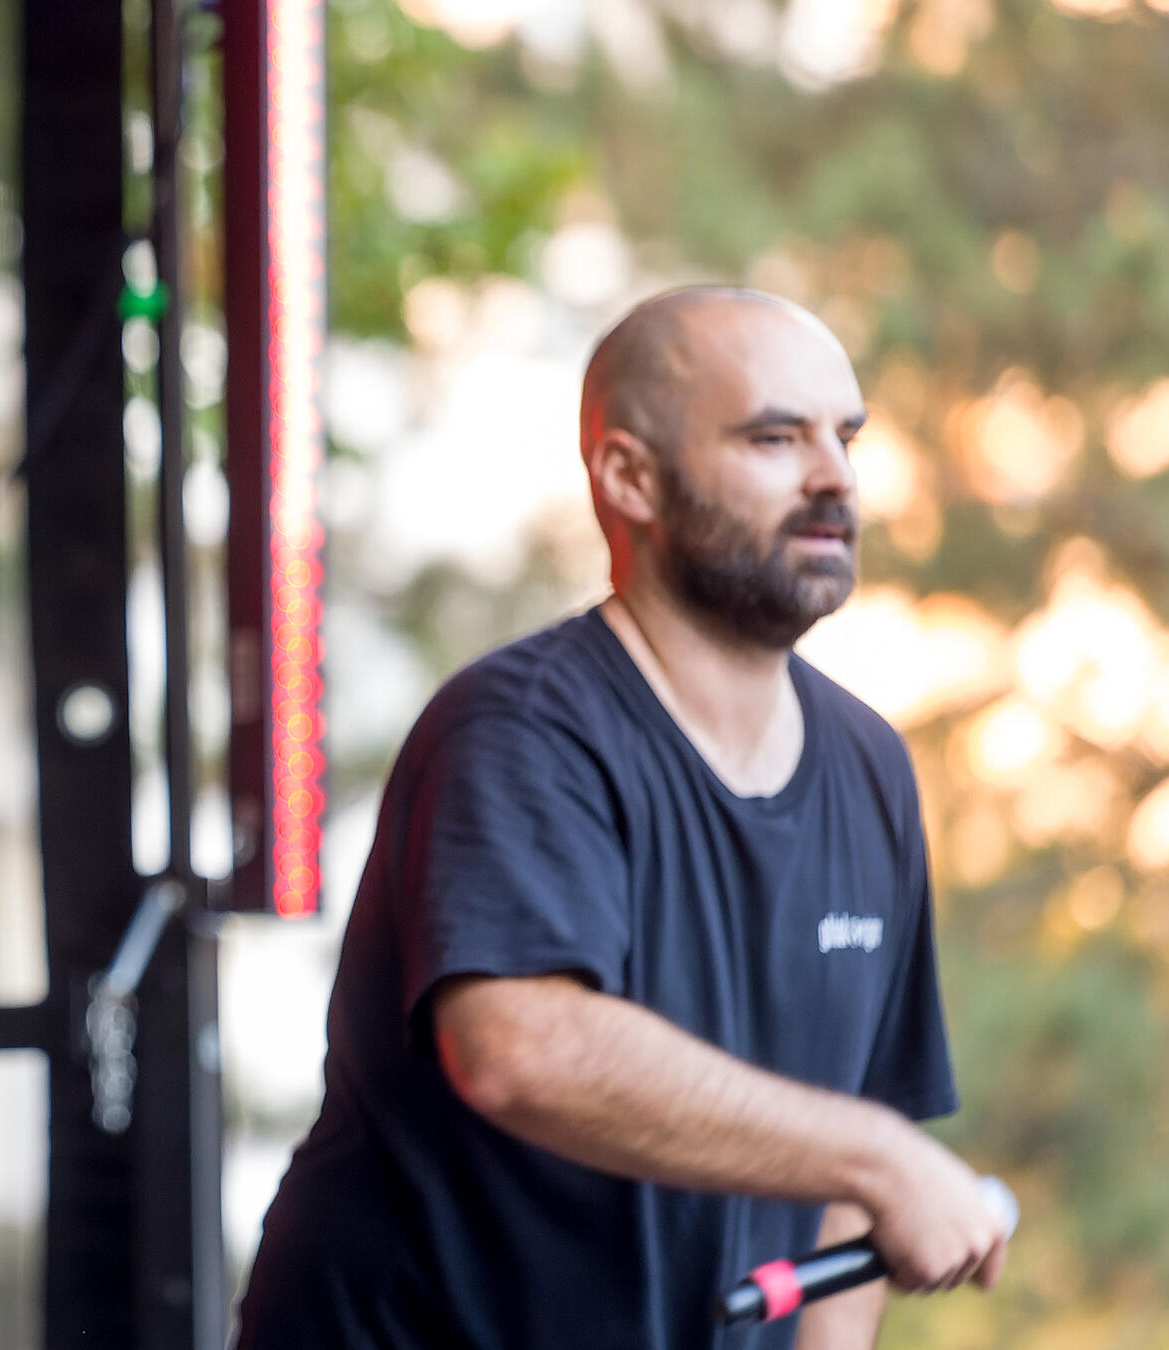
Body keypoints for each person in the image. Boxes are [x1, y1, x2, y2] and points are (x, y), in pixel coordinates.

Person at [234, 287, 1009, 1349]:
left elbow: (845, 1203)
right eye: (776, 437)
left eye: (847, 436)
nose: (835, 476)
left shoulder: (870, 766)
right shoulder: (516, 730)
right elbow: (518, 1048)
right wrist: (875, 1154)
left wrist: (868, 1161)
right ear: (628, 476)